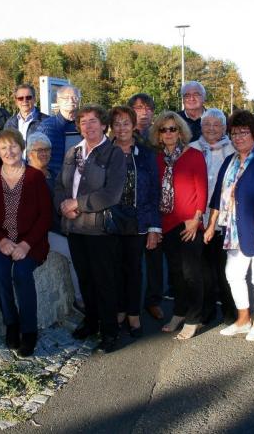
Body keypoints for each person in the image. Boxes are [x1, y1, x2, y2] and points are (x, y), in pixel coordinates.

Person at [204, 110, 254, 341]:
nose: (238, 138)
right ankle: (243, 319)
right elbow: (217, 197)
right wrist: (211, 226)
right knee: (233, 274)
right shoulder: (230, 161)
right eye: (234, 133)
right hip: (234, 230)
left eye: (243, 133)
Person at [54, 104, 126, 352]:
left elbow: (112, 193)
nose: (88, 126)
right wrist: (64, 206)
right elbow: (59, 186)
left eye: (93, 121)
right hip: (74, 227)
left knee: (104, 282)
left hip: (99, 230)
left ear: (104, 124)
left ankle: (110, 332)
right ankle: (91, 321)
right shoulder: (72, 152)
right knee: (84, 279)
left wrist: (78, 204)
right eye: (83, 122)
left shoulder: (114, 154)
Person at [0, 130, 52, 356]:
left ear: (21, 148)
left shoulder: (35, 177)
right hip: (1, 241)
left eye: (13, 146)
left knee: (21, 272)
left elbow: (46, 215)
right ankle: (11, 322)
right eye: (3, 148)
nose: (9, 152)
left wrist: (26, 244)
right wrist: (0, 240)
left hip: (31, 242)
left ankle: (29, 330)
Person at [151, 111, 208, 340]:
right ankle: (179, 312)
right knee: (175, 274)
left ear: (180, 132)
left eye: (172, 129)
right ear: (158, 134)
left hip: (189, 223)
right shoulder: (157, 159)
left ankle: (194, 318)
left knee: (191, 273)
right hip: (167, 223)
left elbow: (202, 188)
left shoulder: (194, 155)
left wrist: (197, 218)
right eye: (163, 129)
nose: (168, 133)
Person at [108, 106, 161, 337]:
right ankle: (119, 310)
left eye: (126, 123)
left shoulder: (146, 154)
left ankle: (133, 314)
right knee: (115, 269)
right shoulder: (104, 152)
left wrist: (154, 227)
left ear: (133, 126)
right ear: (111, 127)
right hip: (110, 221)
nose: (121, 128)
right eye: (117, 124)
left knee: (134, 270)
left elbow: (154, 192)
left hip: (138, 221)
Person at [27, 132, 84, 313]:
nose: (44, 153)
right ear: (29, 153)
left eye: (47, 150)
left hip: (63, 225)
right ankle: (80, 299)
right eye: (39, 150)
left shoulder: (53, 174)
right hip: (44, 232)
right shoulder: (26, 177)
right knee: (74, 254)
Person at [190, 108, 236, 324]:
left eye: (216, 124)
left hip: (225, 219)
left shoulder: (233, 149)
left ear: (224, 128)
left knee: (225, 268)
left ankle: (230, 311)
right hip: (198, 218)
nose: (211, 128)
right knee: (203, 270)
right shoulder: (191, 149)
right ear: (200, 127)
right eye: (207, 124)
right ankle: (207, 310)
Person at [128, 93, 164, 321]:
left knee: (154, 258)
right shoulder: (122, 135)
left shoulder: (161, 134)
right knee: (131, 262)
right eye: (139, 108)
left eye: (148, 108)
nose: (144, 112)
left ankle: (153, 300)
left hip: (155, 202)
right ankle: (130, 305)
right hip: (130, 208)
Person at [36, 85, 81, 179]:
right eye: (66, 98)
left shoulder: (85, 125)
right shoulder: (46, 127)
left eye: (74, 97)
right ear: (58, 101)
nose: (71, 101)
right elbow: (35, 157)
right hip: (53, 181)